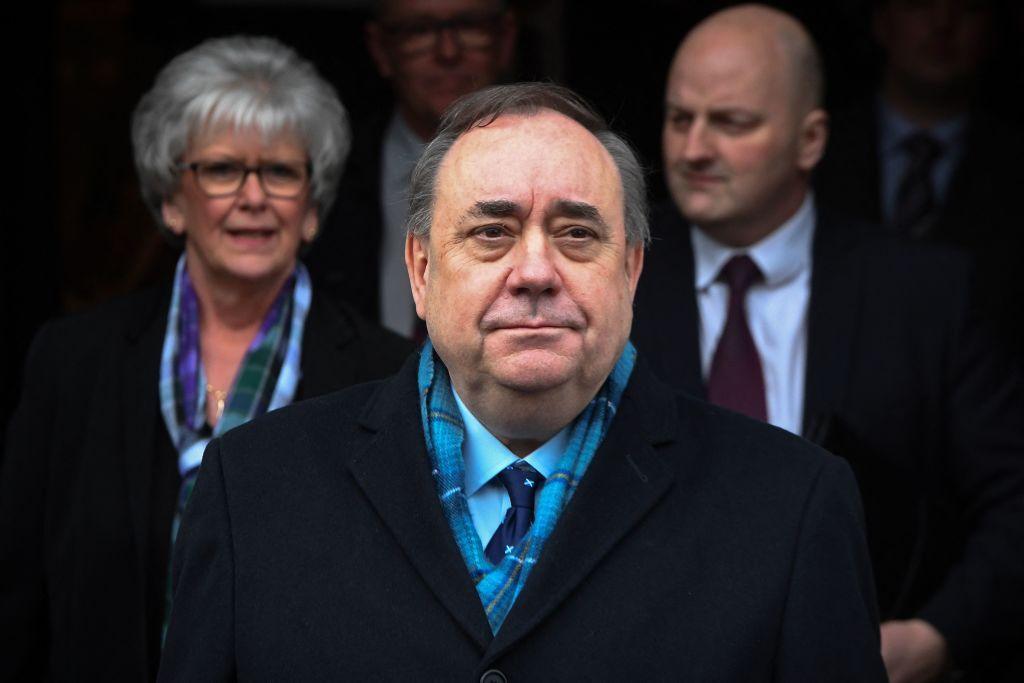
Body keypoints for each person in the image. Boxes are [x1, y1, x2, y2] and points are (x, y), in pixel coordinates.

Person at [159, 82, 885, 680]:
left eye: (577, 233)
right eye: (491, 232)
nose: (535, 271)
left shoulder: (792, 506)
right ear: (419, 270)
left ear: (630, 268)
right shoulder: (252, 489)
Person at [0, 36, 413, 681]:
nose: (253, 197)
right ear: (171, 198)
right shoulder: (74, 362)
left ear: (311, 207)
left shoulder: (388, 373)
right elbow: (19, 594)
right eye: (221, 170)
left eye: (280, 172)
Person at [632, 5, 1024, 682]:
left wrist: (938, 633)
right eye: (678, 118)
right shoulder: (608, 281)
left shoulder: (921, 293)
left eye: (732, 122)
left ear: (810, 139)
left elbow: (1014, 492)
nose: (693, 149)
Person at [815, 0, 1024, 356]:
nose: (943, 22)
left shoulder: (1011, 165)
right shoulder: (812, 152)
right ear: (881, 20)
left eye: (968, 7)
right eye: (919, 3)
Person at [306, 0, 517, 338]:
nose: (448, 51)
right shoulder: (324, 175)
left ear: (505, 39)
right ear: (381, 49)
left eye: (469, 26)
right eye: (419, 30)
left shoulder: (559, 173)